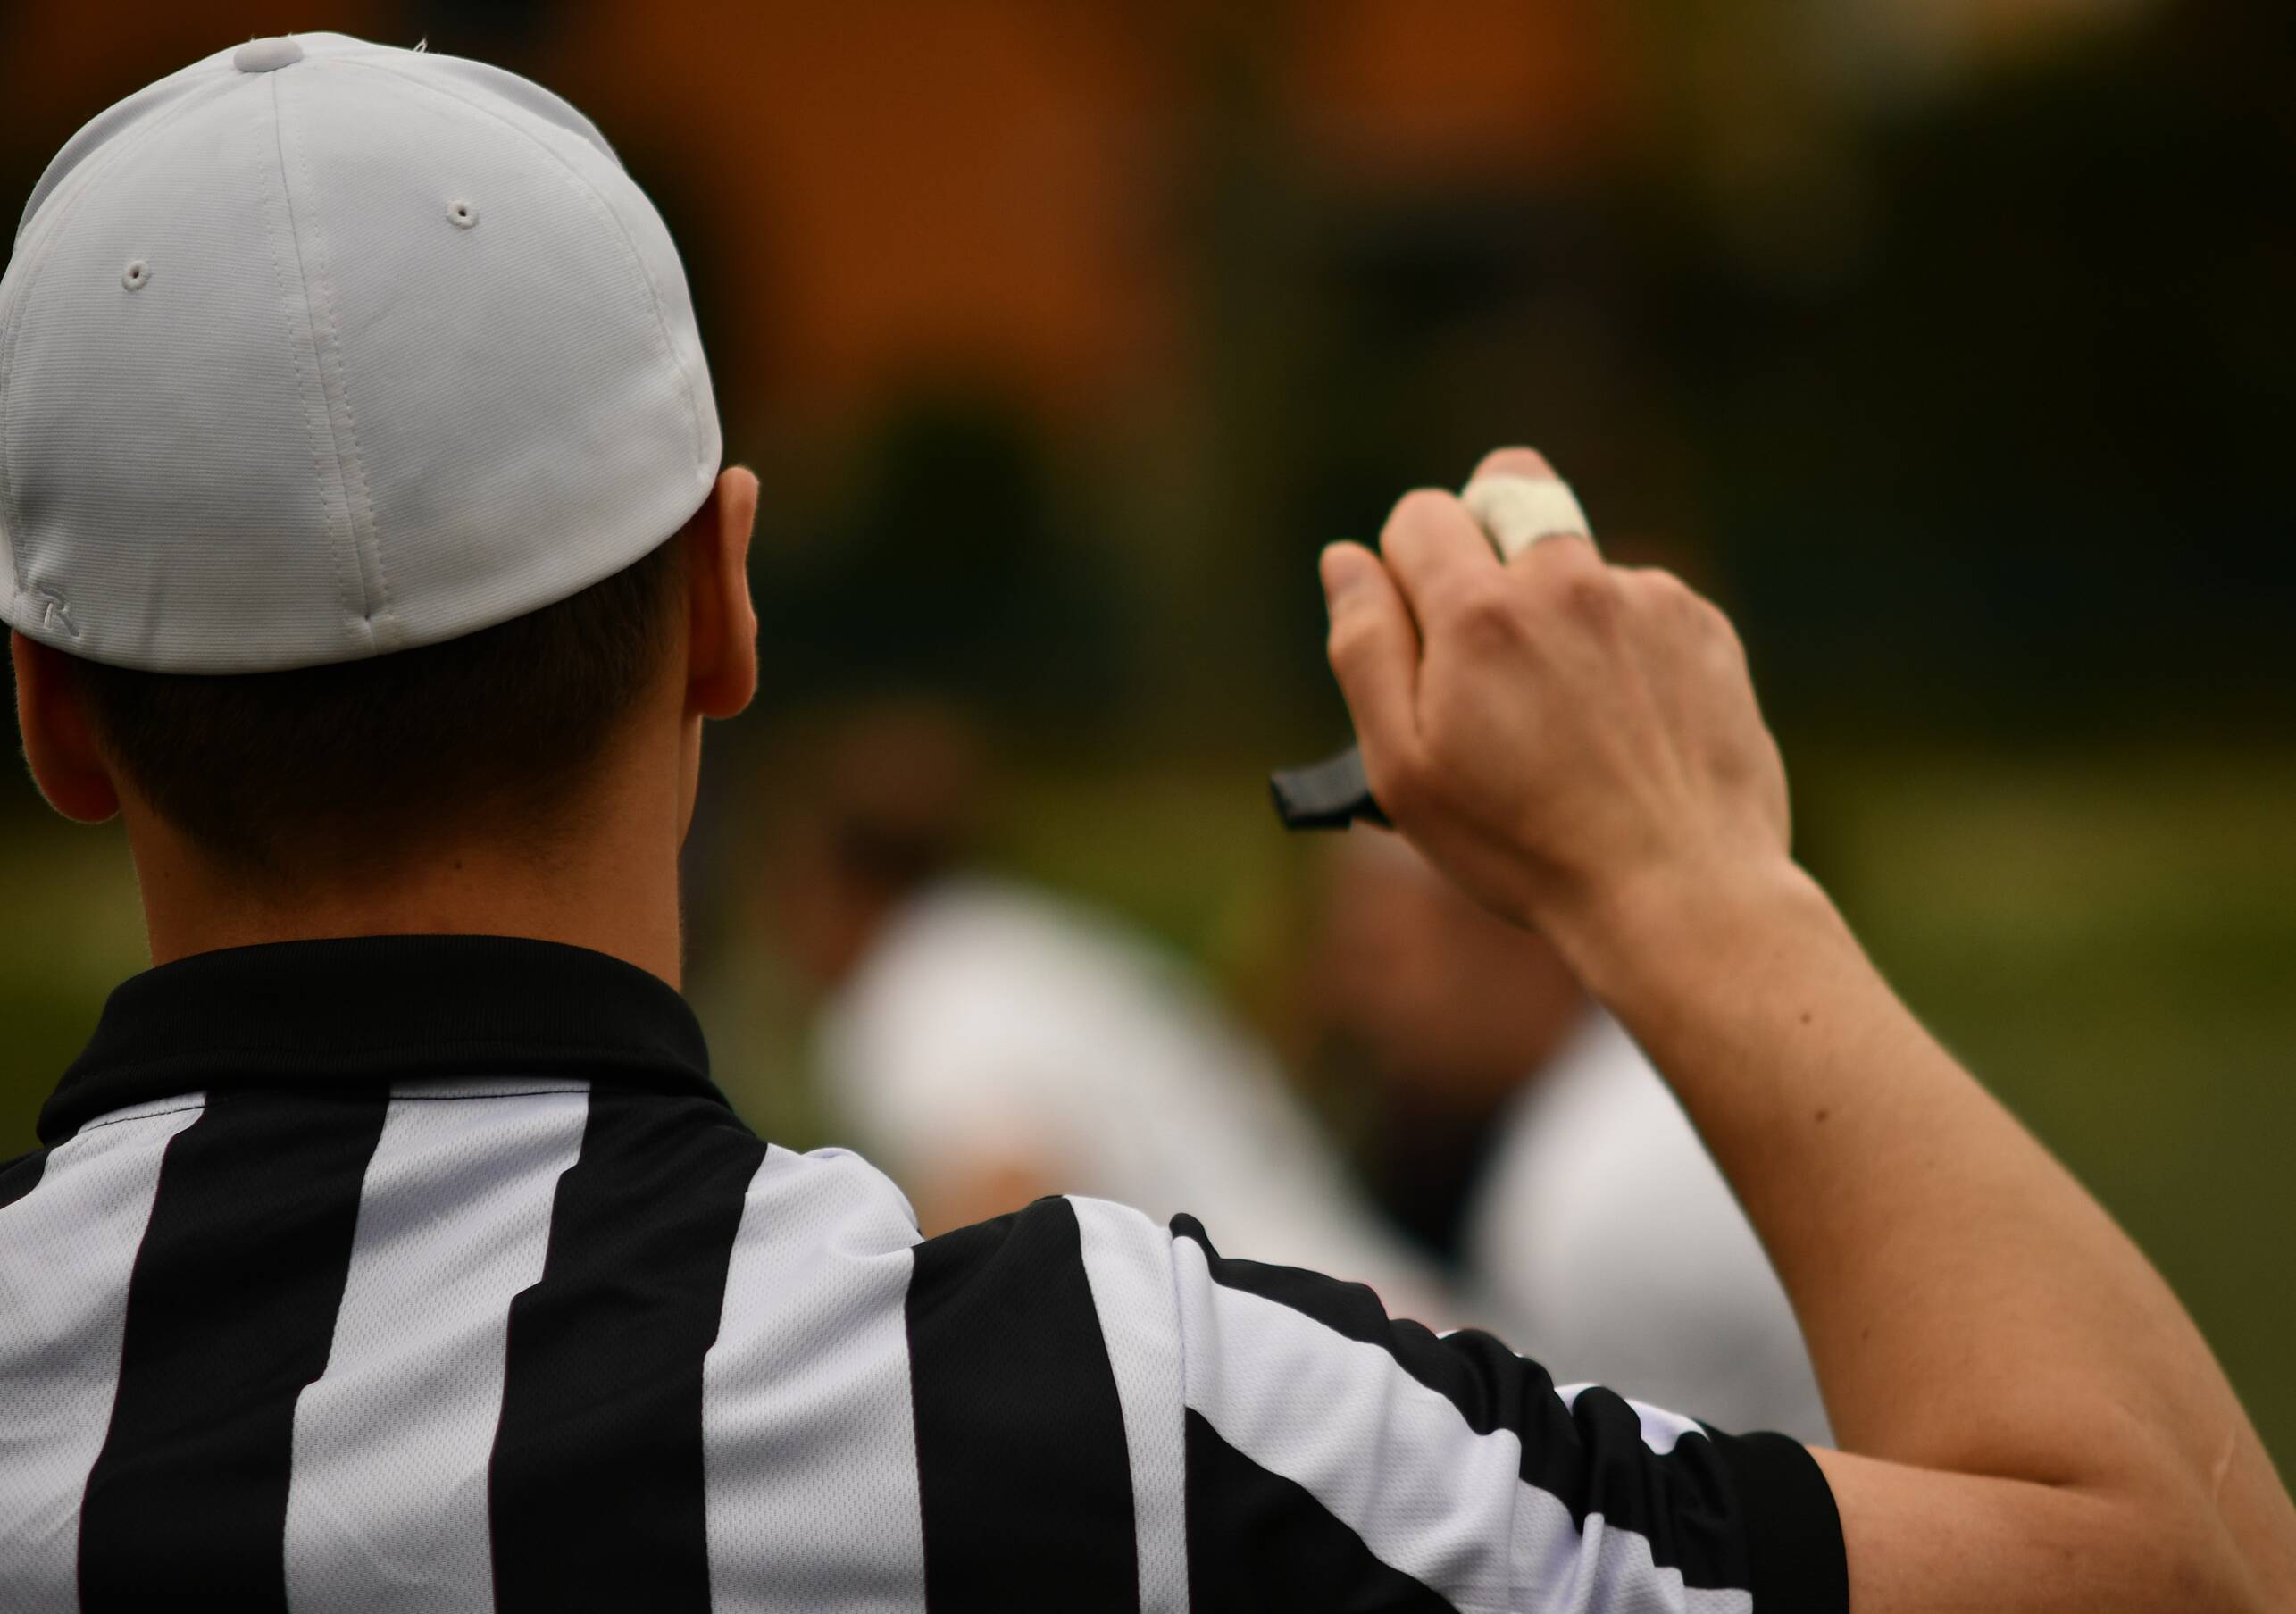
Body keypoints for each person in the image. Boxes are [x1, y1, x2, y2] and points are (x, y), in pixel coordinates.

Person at [2, 33, 2290, 1614]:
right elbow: (2175, 1572)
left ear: (53, 717)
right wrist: (1686, 868)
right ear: (722, 603)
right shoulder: (1138, 1422)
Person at [760, 701, 1448, 1317]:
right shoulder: (1009, 947)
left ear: (824, 880)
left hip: (1335, 1392)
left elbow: (1007, 1218)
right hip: (1391, 1339)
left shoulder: (916, 992)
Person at [1315, 831, 1830, 1443]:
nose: (1353, 1000)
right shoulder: (1631, 1106)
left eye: (1381, 957)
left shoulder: (1601, 1198)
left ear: (1506, 933)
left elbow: (1638, 1524)